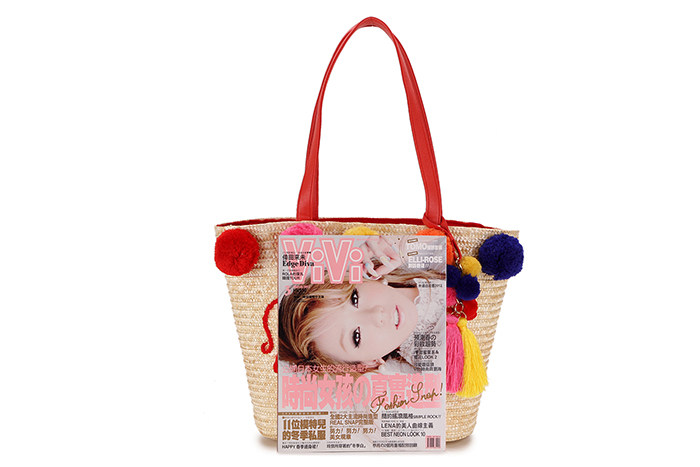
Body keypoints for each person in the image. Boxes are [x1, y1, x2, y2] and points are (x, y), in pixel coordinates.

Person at [278, 236, 445, 372]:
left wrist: (404, 242)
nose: (376, 314)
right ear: (369, 363)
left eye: (354, 298)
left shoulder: (420, 254)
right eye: (356, 336)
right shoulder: (438, 365)